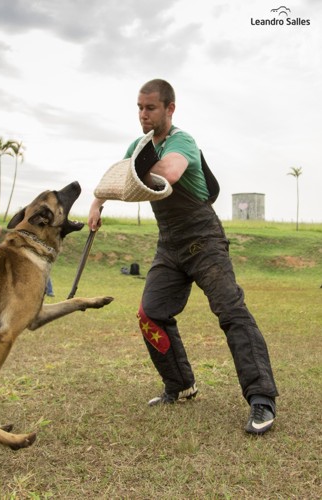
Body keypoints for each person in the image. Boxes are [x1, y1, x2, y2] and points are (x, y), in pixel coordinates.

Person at [88, 79, 278, 435]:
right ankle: (180, 385)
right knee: (150, 313)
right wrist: (98, 203)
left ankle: (262, 398)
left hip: (204, 240)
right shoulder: (138, 148)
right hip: (169, 245)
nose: (143, 115)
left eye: (151, 108)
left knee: (231, 311)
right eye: (139, 108)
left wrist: (134, 172)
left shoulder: (181, 141)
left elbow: (170, 173)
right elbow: (116, 176)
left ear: (170, 108)